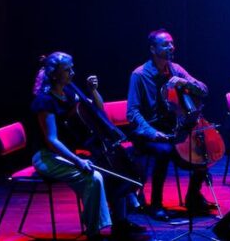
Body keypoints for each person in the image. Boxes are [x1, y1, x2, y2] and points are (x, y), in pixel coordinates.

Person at [30, 52, 146, 240]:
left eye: (72, 68)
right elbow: (52, 141)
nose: (72, 73)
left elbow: (98, 110)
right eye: (67, 70)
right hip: (47, 157)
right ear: (54, 74)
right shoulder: (45, 101)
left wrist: (93, 91)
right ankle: (94, 232)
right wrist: (77, 160)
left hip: (67, 153)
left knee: (115, 168)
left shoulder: (68, 92)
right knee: (95, 177)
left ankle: (120, 222)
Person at [126, 29, 212, 220]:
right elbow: (132, 112)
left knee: (204, 146)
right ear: (152, 49)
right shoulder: (139, 75)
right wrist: (152, 132)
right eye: (165, 44)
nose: (171, 47)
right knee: (164, 151)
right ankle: (156, 204)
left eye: (172, 43)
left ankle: (193, 196)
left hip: (173, 128)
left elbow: (204, 90)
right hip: (148, 132)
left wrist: (185, 83)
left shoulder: (176, 69)